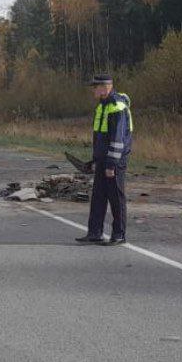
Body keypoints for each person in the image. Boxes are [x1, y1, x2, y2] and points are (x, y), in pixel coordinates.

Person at [76, 74, 132, 246]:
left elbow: (117, 139)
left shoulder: (117, 107)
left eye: (95, 87)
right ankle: (95, 233)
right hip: (102, 160)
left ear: (105, 87)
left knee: (116, 197)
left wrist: (111, 164)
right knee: (98, 197)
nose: (93, 90)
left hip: (114, 161)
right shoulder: (102, 106)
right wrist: (95, 160)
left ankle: (119, 235)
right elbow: (100, 138)